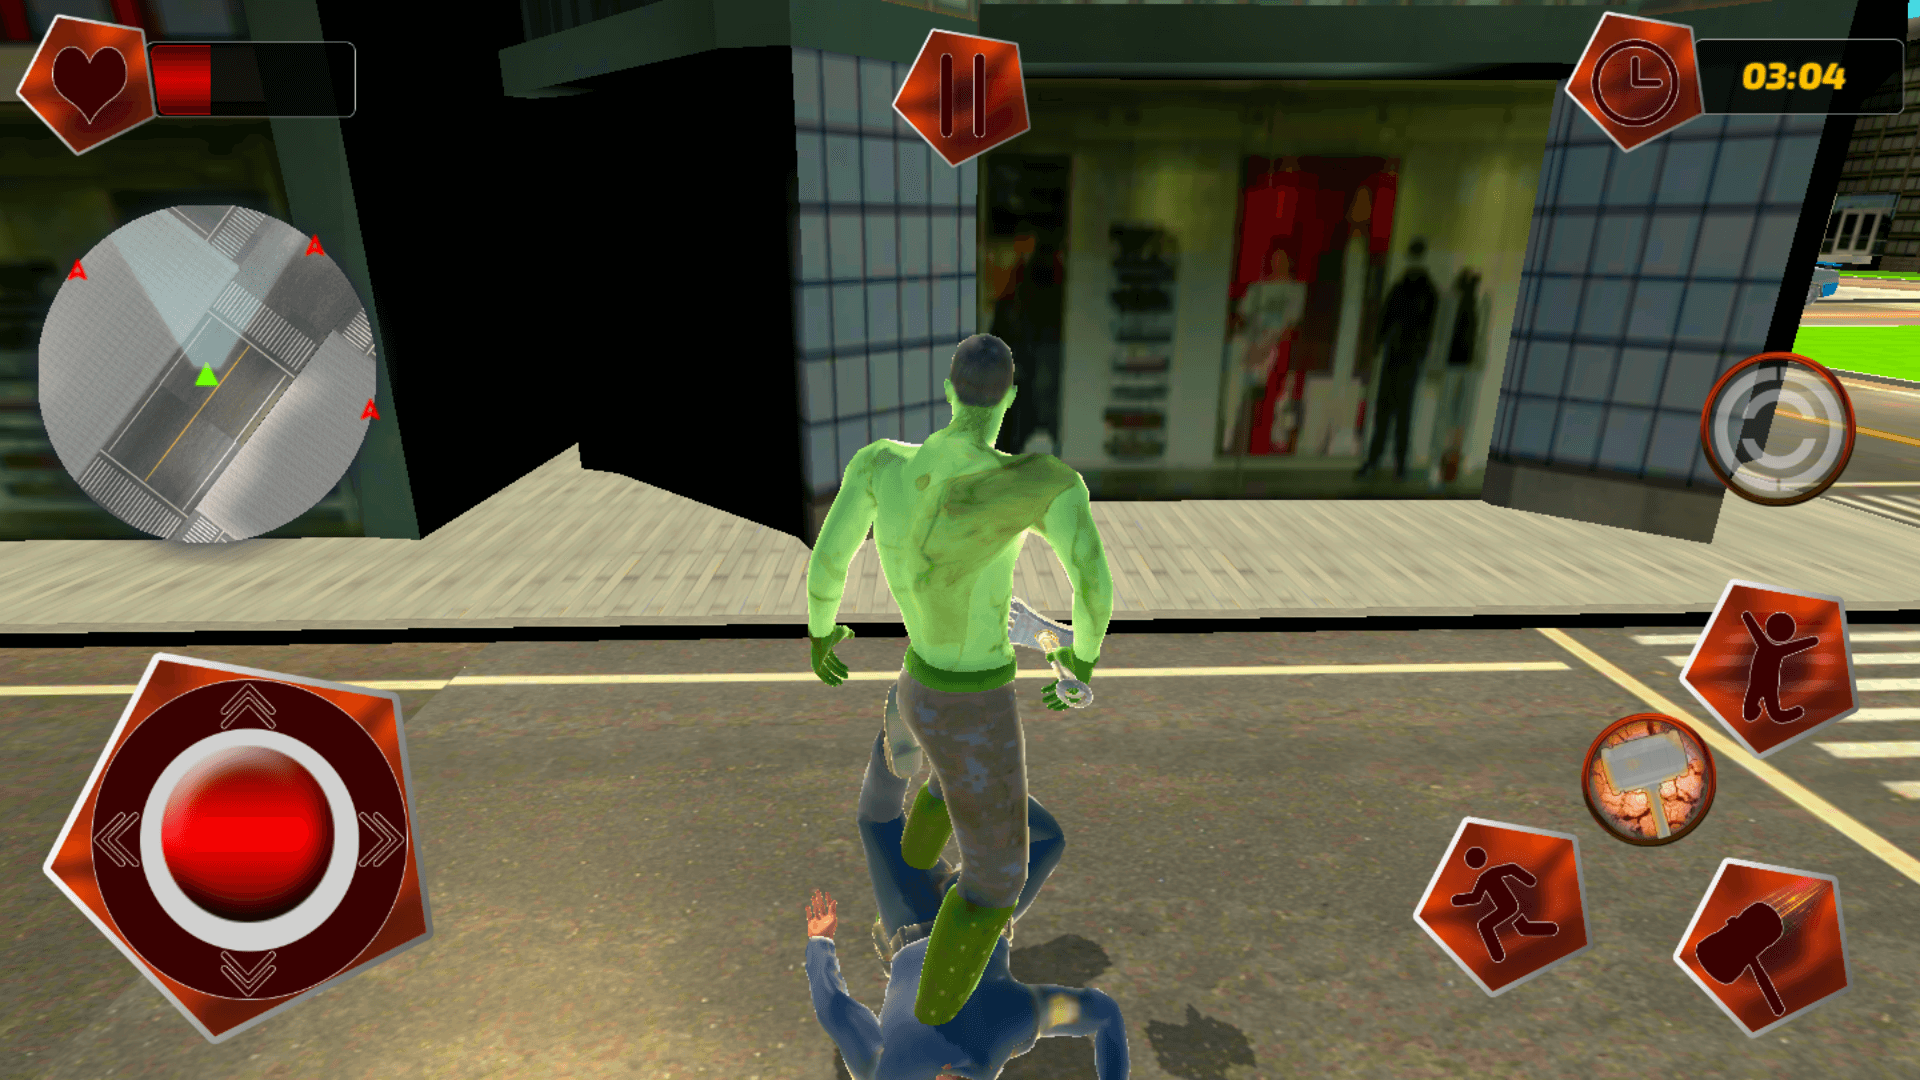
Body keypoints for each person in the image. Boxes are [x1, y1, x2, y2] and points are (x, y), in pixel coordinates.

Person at [806, 333, 1116, 1025]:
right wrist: (1083, 660)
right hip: (975, 710)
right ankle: (930, 1021)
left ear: (949, 390)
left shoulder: (878, 463)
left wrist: (822, 631)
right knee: (999, 878)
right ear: (1009, 398)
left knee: (938, 774)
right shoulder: (1039, 481)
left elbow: (828, 561)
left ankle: (920, 852)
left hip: (913, 689)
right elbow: (1094, 584)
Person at [802, 730, 1130, 1080]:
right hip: (969, 913)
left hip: (935, 915)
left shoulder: (895, 1070)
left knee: (879, 819)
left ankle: (916, 756)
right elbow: (1101, 1014)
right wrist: (819, 945)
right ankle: (965, 781)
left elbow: (836, 1011)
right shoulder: (1015, 1023)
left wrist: (820, 944)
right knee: (1045, 841)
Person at [1359, 238, 1439, 481]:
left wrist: (1380, 343)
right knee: (1392, 412)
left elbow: (1421, 326)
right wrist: (1379, 344)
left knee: (1397, 412)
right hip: (1400, 355)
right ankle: (1388, 462)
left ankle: (1393, 462)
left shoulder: (1415, 290)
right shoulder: (1415, 289)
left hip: (1403, 355)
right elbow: (1390, 318)